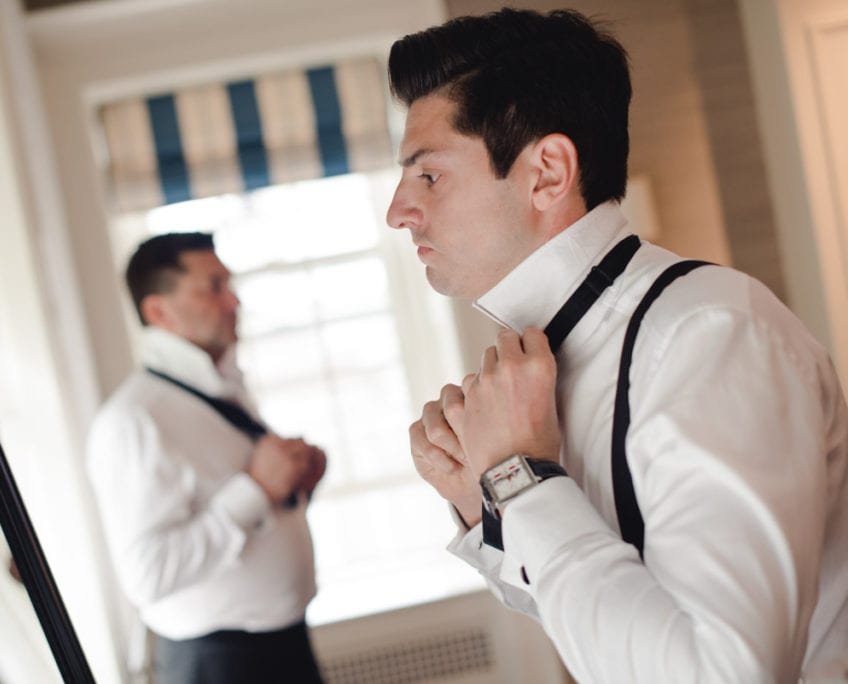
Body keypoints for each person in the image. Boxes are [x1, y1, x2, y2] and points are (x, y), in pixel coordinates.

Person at [385, 7, 848, 683]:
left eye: (428, 175)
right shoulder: (555, 360)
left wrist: (521, 479)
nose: (398, 210)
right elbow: (612, 635)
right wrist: (484, 501)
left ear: (547, 171)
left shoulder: (707, 339)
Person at [86, 232, 326, 684]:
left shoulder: (218, 388)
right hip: (221, 666)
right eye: (213, 287)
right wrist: (256, 490)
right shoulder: (133, 421)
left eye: (228, 285)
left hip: (283, 648)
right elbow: (148, 575)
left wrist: (295, 485)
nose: (233, 301)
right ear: (158, 311)